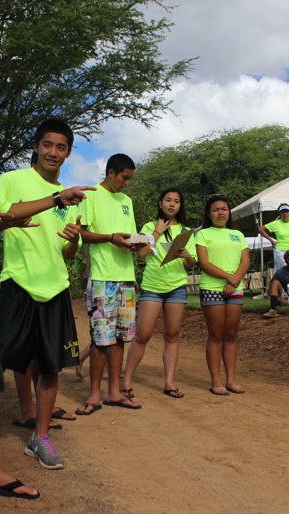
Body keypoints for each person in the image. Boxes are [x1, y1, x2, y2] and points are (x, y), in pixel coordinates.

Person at [0, 118, 86, 470]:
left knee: (51, 366)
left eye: (61, 147)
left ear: (68, 153)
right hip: (18, 283)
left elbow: (67, 254)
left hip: (56, 286)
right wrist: (52, 199)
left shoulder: (72, 198)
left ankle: (40, 437)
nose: (53, 152)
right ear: (35, 146)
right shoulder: (13, 180)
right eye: (47, 145)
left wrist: (74, 242)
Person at [76, 154, 143, 414]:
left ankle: (114, 392)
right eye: (124, 178)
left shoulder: (126, 201)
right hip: (103, 278)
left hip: (126, 278)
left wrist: (138, 243)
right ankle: (94, 396)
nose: (127, 183)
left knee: (121, 337)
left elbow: (131, 235)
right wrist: (110, 238)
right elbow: (81, 232)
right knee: (101, 340)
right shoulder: (90, 196)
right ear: (111, 173)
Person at [122, 189, 197, 399]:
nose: (172, 204)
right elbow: (142, 253)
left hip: (177, 287)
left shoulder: (186, 231)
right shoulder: (148, 226)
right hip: (153, 287)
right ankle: (126, 380)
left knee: (172, 335)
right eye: (168, 200)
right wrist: (157, 232)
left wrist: (187, 255)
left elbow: (191, 265)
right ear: (160, 202)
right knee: (143, 334)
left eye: (176, 201)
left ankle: (170, 382)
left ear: (180, 206)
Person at [196, 194, 250, 396]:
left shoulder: (238, 234)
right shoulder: (202, 234)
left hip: (235, 288)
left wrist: (234, 280)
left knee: (231, 335)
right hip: (212, 288)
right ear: (209, 214)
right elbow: (204, 262)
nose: (221, 212)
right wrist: (230, 278)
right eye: (216, 209)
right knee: (216, 335)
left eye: (224, 209)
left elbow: (245, 261)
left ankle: (231, 380)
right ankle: (216, 381)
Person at [259, 203, 289, 271]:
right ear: (280, 214)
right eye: (282, 212)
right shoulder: (276, 223)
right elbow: (261, 229)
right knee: (283, 271)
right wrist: (271, 240)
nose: (285, 214)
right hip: (281, 251)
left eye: (286, 211)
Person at [262, 249, 289, 318]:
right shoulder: (280, 272)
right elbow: (270, 291)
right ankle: (273, 309)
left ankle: (288, 303)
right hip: (288, 295)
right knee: (275, 282)